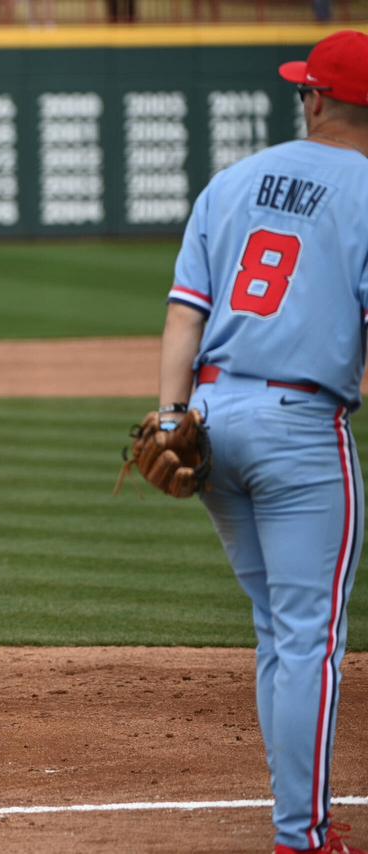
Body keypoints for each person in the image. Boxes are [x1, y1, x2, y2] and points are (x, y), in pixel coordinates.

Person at [154, 30, 368, 854]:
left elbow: (186, 312)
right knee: (312, 639)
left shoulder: (235, 180)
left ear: (314, 99)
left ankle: (300, 819)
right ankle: (303, 835)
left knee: (279, 632)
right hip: (301, 432)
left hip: (211, 423)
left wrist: (172, 416)